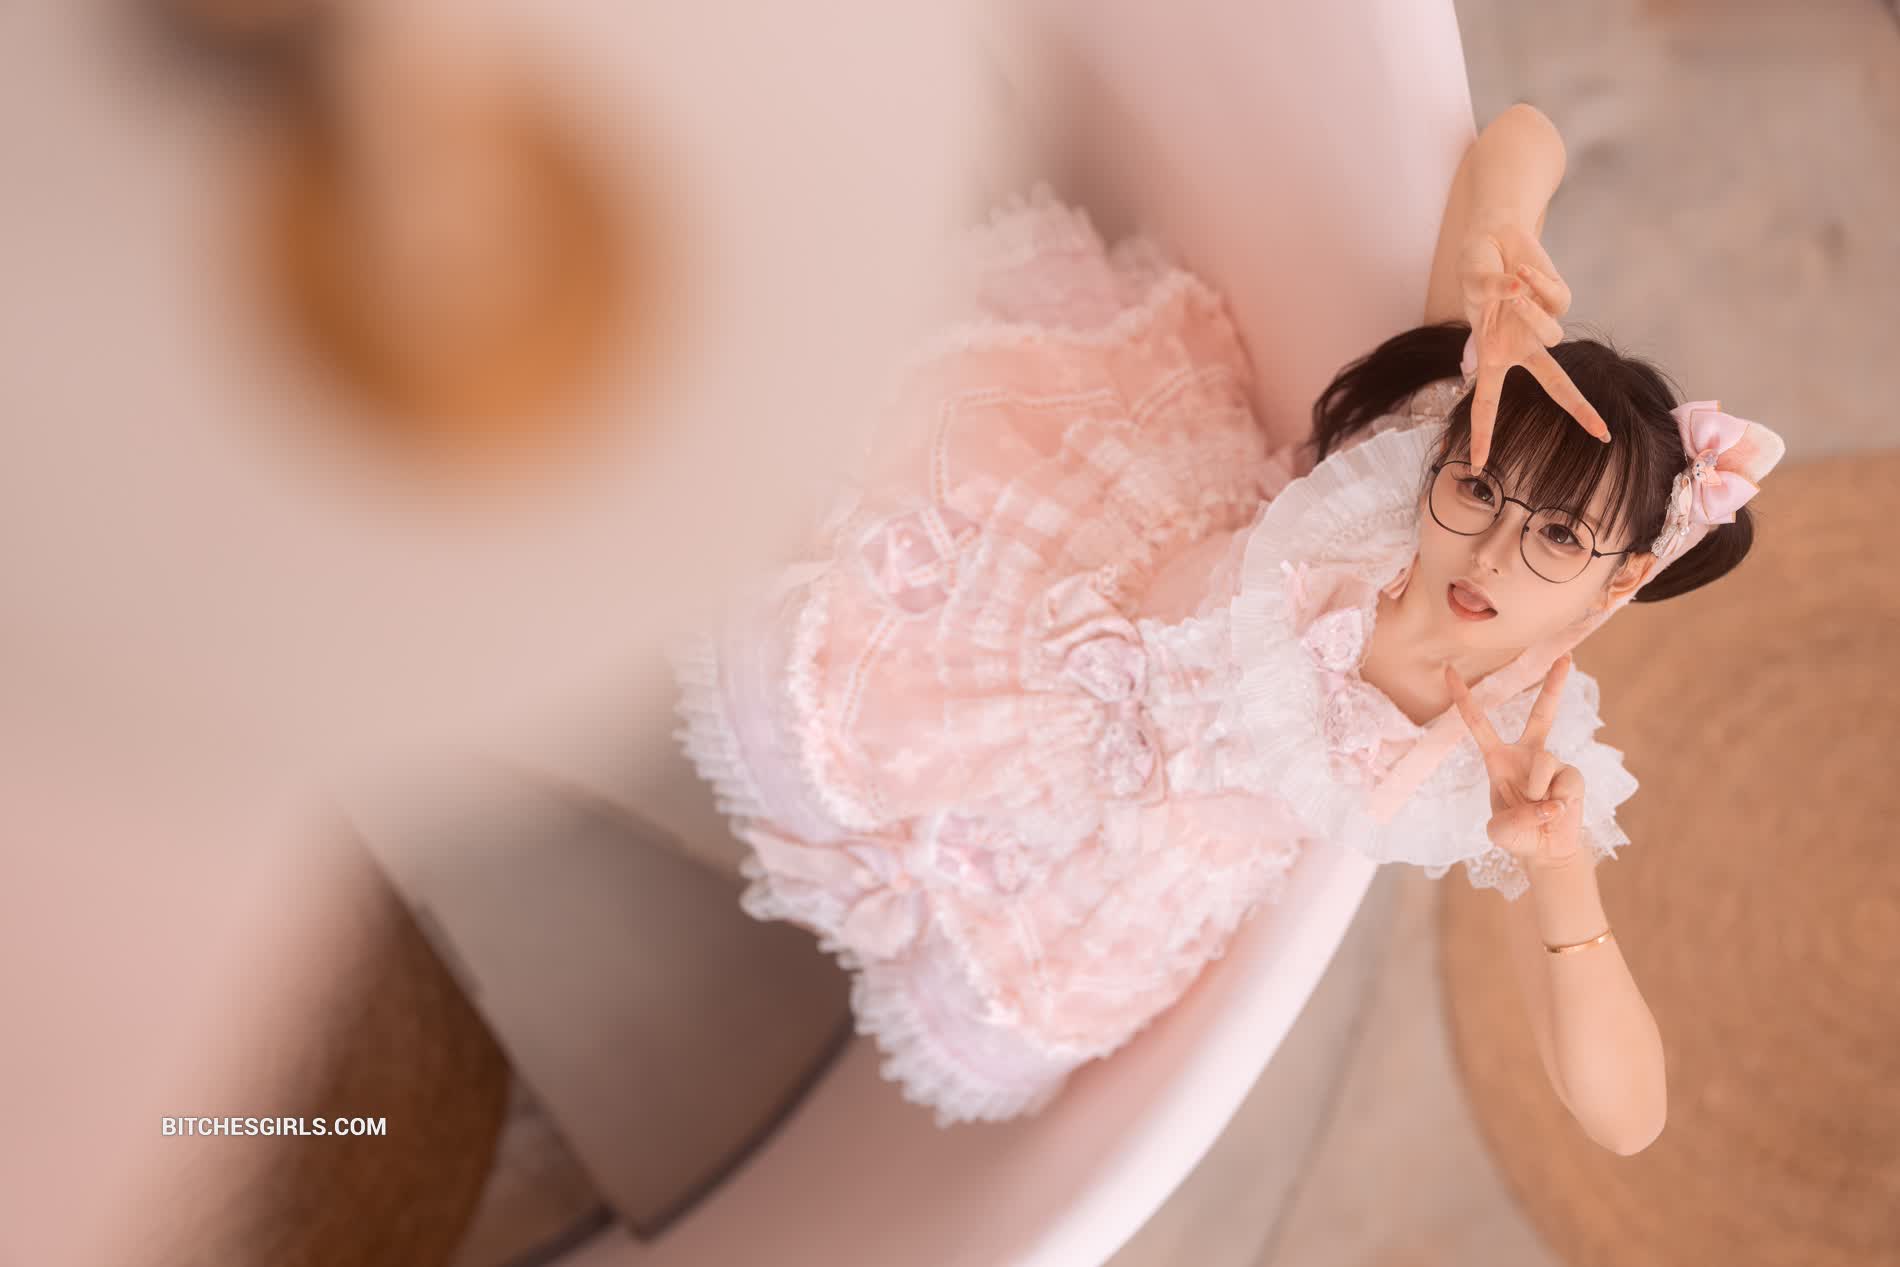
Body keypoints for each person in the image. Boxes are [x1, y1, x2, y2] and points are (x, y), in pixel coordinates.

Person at [671, 106, 1783, 1139]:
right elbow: (1521, 133)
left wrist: (1558, 869)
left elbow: (1627, 1120)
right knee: (808, 590)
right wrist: (1502, 236)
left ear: (1619, 582)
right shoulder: (1418, 451)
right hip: (1085, 591)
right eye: (1481, 489)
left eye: (1559, 538)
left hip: (1144, 846)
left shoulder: (1509, 760)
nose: (1491, 551)